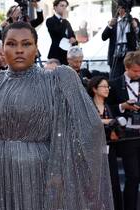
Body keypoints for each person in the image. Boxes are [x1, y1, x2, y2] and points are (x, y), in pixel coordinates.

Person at [0, 21, 113, 210]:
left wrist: (62, 166)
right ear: (2, 48)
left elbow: (89, 128)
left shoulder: (56, 81)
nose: (19, 50)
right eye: (11, 44)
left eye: (26, 44)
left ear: (36, 47)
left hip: (39, 176)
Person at [106, 50, 140, 210]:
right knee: (132, 176)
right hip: (127, 136)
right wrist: (123, 106)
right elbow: (107, 109)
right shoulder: (113, 84)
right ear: (126, 67)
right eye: (135, 70)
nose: (138, 73)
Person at [87, 76, 123, 210]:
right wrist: (106, 122)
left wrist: (115, 130)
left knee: (113, 180)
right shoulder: (88, 106)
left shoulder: (109, 107)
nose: (107, 89)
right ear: (94, 89)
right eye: (103, 86)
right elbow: (88, 124)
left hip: (109, 148)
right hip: (93, 150)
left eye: (108, 86)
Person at [101, 0, 139, 80]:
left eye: (123, 8)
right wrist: (109, 26)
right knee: (114, 78)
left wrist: (136, 28)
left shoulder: (132, 21)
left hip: (129, 56)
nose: (121, 10)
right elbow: (103, 37)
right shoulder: (114, 22)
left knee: (129, 78)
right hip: (115, 55)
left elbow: (138, 38)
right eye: (119, 8)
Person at [46, 0, 77, 65]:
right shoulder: (50, 20)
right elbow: (58, 32)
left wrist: (73, 40)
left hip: (67, 56)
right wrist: (63, 19)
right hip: (56, 55)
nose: (64, 8)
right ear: (55, 7)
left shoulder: (67, 22)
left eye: (65, 6)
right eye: (62, 5)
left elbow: (73, 37)